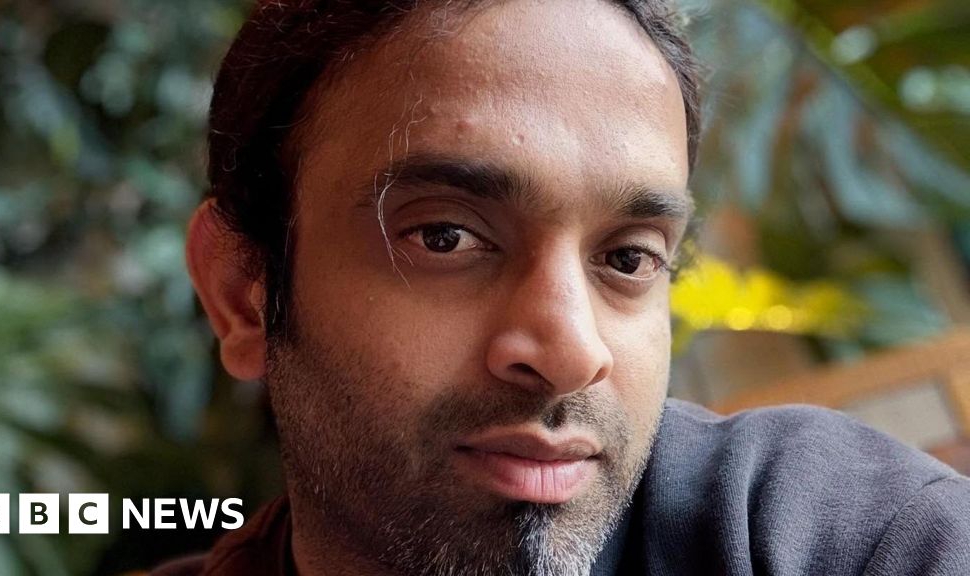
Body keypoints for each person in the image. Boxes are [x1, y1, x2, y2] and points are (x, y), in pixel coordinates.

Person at [165, 0, 970, 574]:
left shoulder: (829, 534)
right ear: (243, 293)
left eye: (628, 258)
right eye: (445, 237)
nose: (572, 353)